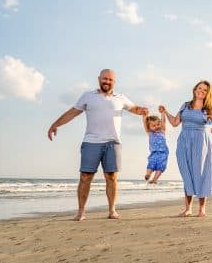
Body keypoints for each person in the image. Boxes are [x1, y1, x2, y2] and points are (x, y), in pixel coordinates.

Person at [47, 69, 148, 221]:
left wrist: (142, 110)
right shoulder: (88, 96)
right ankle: (81, 212)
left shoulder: (120, 98)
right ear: (99, 79)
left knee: (112, 177)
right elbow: (72, 112)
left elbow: (134, 109)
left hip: (113, 143)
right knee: (85, 177)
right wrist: (56, 124)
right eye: (104, 79)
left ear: (114, 82)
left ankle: (112, 210)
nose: (107, 81)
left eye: (110, 80)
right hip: (91, 142)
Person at [160, 80, 212, 218]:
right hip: (184, 142)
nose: (201, 91)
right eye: (199, 88)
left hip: (201, 143)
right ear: (195, 89)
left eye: (205, 90)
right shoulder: (185, 105)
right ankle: (188, 209)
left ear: (208, 93)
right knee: (187, 173)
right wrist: (165, 112)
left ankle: (202, 209)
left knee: (201, 174)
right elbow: (175, 123)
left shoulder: (209, 109)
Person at [142, 109, 169, 184]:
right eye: (153, 126)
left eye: (158, 124)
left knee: (161, 167)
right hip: (153, 153)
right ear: (149, 127)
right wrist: (145, 115)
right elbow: (144, 123)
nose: (156, 126)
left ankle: (154, 179)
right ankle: (148, 174)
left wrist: (162, 113)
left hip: (163, 153)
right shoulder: (150, 133)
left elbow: (163, 121)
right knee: (151, 164)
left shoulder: (162, 131)